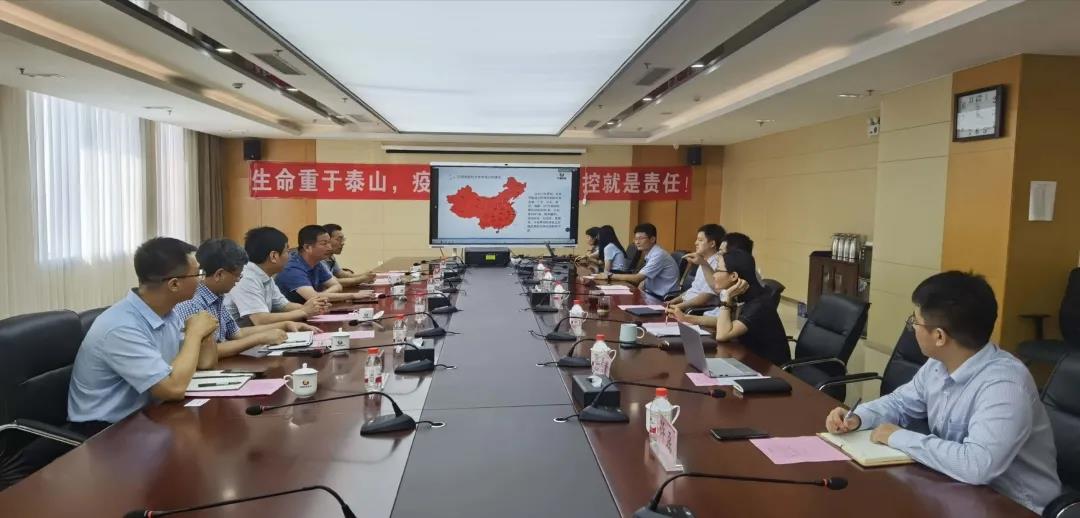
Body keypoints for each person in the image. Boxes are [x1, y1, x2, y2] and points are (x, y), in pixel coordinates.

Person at [825, 271, 1059, 514]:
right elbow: (900, 403)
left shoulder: (1005, 385)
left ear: (939, 336)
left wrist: (897, 436)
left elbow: (977, 465)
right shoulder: (939, 364)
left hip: (1015, 506)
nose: (912, 327)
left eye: (915, 321)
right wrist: (858, 417)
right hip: (957, 491)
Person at [175, 238, 320, 357]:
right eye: (237, 275)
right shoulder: (191, 302)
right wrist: (259, 338)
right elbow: (205, 353)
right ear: (219, 274)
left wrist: (285, 325)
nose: (239, 280)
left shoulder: (216, 296)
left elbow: (237, 333)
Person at [671, 249, 789, 366]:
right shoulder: (742, 295)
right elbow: (727, 322)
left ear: (733, 276)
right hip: (746, 357)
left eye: (718, 270)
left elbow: (723, 335)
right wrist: (686, 318)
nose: (714, 275)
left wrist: (726, 298)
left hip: (768, 367)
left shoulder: (758, 304)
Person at [225, 226, 330, 327]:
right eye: (287, 252)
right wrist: (304, 311)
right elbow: (260, 320)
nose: (290, 256)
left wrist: (312, 308)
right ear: (274, 256)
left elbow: (283, 306)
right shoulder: (246, 277)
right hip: (237, 337)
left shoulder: (265, 275)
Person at [275, 225, 374, 303]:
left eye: (329, 243)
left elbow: (337, 286)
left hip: (312, 311)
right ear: (307, 247)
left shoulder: (317, 262)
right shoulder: (292, 268)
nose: (329, 248)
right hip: (293, 317)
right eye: (324, 243)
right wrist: (352, 295)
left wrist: (322, 295)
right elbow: (314, 297)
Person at [596, 223, 679, 298]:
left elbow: (637, 278)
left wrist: (609, 276)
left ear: (652, 239)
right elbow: (644, 278)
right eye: (635, 239)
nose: (637, 242)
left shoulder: (658, 255)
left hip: (662, 298)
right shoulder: (650, 254)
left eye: (641, 238)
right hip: (650, 294)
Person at [668, 223, 725, 310]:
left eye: (700, 240)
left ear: (712, 243)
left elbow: (705, 297)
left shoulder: (717, 264)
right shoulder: (703, 260)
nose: (695, 243)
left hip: (697, 310)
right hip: (685, 306)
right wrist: (672, 302)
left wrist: (677, 307)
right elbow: (694, 289)